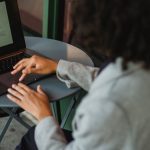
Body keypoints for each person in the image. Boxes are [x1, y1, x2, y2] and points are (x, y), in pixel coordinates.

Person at [7, 0, 150, 149]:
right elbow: (112, 79)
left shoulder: (110, 105)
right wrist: (58, 67)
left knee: (33, 139)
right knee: (33, 136)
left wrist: (43, 115)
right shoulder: (139, 61)